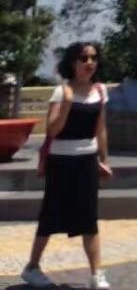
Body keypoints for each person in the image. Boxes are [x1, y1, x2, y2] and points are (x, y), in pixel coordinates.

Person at [20, 42, 112, 290]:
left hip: (86, 160)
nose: (89, 63)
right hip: (61, 161)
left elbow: (100, 128)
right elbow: (52, 130)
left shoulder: (100, 91)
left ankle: (96, 274)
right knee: (51, 215)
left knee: (89, 218)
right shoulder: (62, 92)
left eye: (93, 58)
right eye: (84, 58)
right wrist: (68, 104)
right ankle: (32, 267)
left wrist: (104, 159)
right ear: (73, 62)